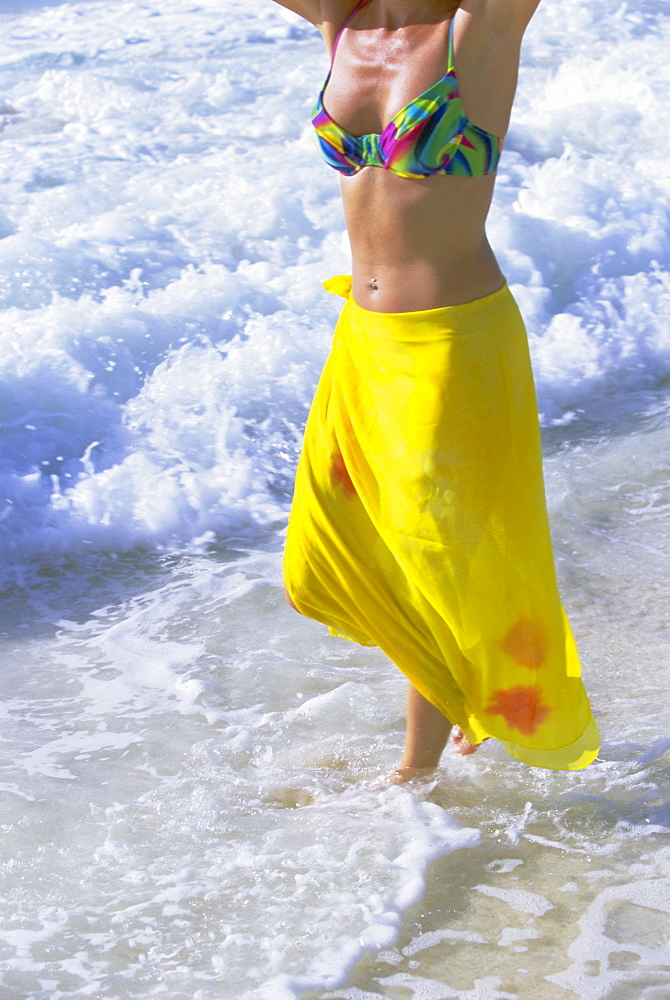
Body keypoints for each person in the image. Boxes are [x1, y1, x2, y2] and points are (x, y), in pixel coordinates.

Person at [274, 0, 600, 781]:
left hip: (453, 344)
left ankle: (418, 765)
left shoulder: (477, 31)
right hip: (363, 340)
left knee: (432, 554)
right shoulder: (341, 23)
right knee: (327, 556)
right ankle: (452, 696)